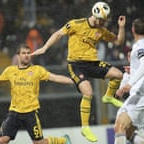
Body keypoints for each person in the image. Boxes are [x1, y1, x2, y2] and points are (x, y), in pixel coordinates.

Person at [31, 1, 126, 142]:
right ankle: (85, 128)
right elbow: (58, 34)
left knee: (118, 75)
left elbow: (118, 41)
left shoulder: (102, 30)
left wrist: (121, 27)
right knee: (88, 92)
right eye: (101, 20)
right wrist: (44, 48)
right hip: (76, 65)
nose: (102, 23)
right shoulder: (76, 24)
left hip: (92, 63)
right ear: (94, 15)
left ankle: (108, 97)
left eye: (104, 21)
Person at [0, 43, 72, 144]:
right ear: (18, 56)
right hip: (14, 112)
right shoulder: (10, 71)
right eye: (24, 53)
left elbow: (55, 77)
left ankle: (63, 140)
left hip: (30, 113)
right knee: (2, 140)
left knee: (39, 142)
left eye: (28, 53)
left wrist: (74, 81)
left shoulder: (37, 70)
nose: (26, 55)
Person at [113, 18, 144, 144]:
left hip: (141, 95)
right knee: (129, 132)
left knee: (120, 126)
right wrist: (135, 70)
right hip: (143, 96)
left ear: (133, 30)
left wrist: (131, 83)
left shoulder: (139, 47)